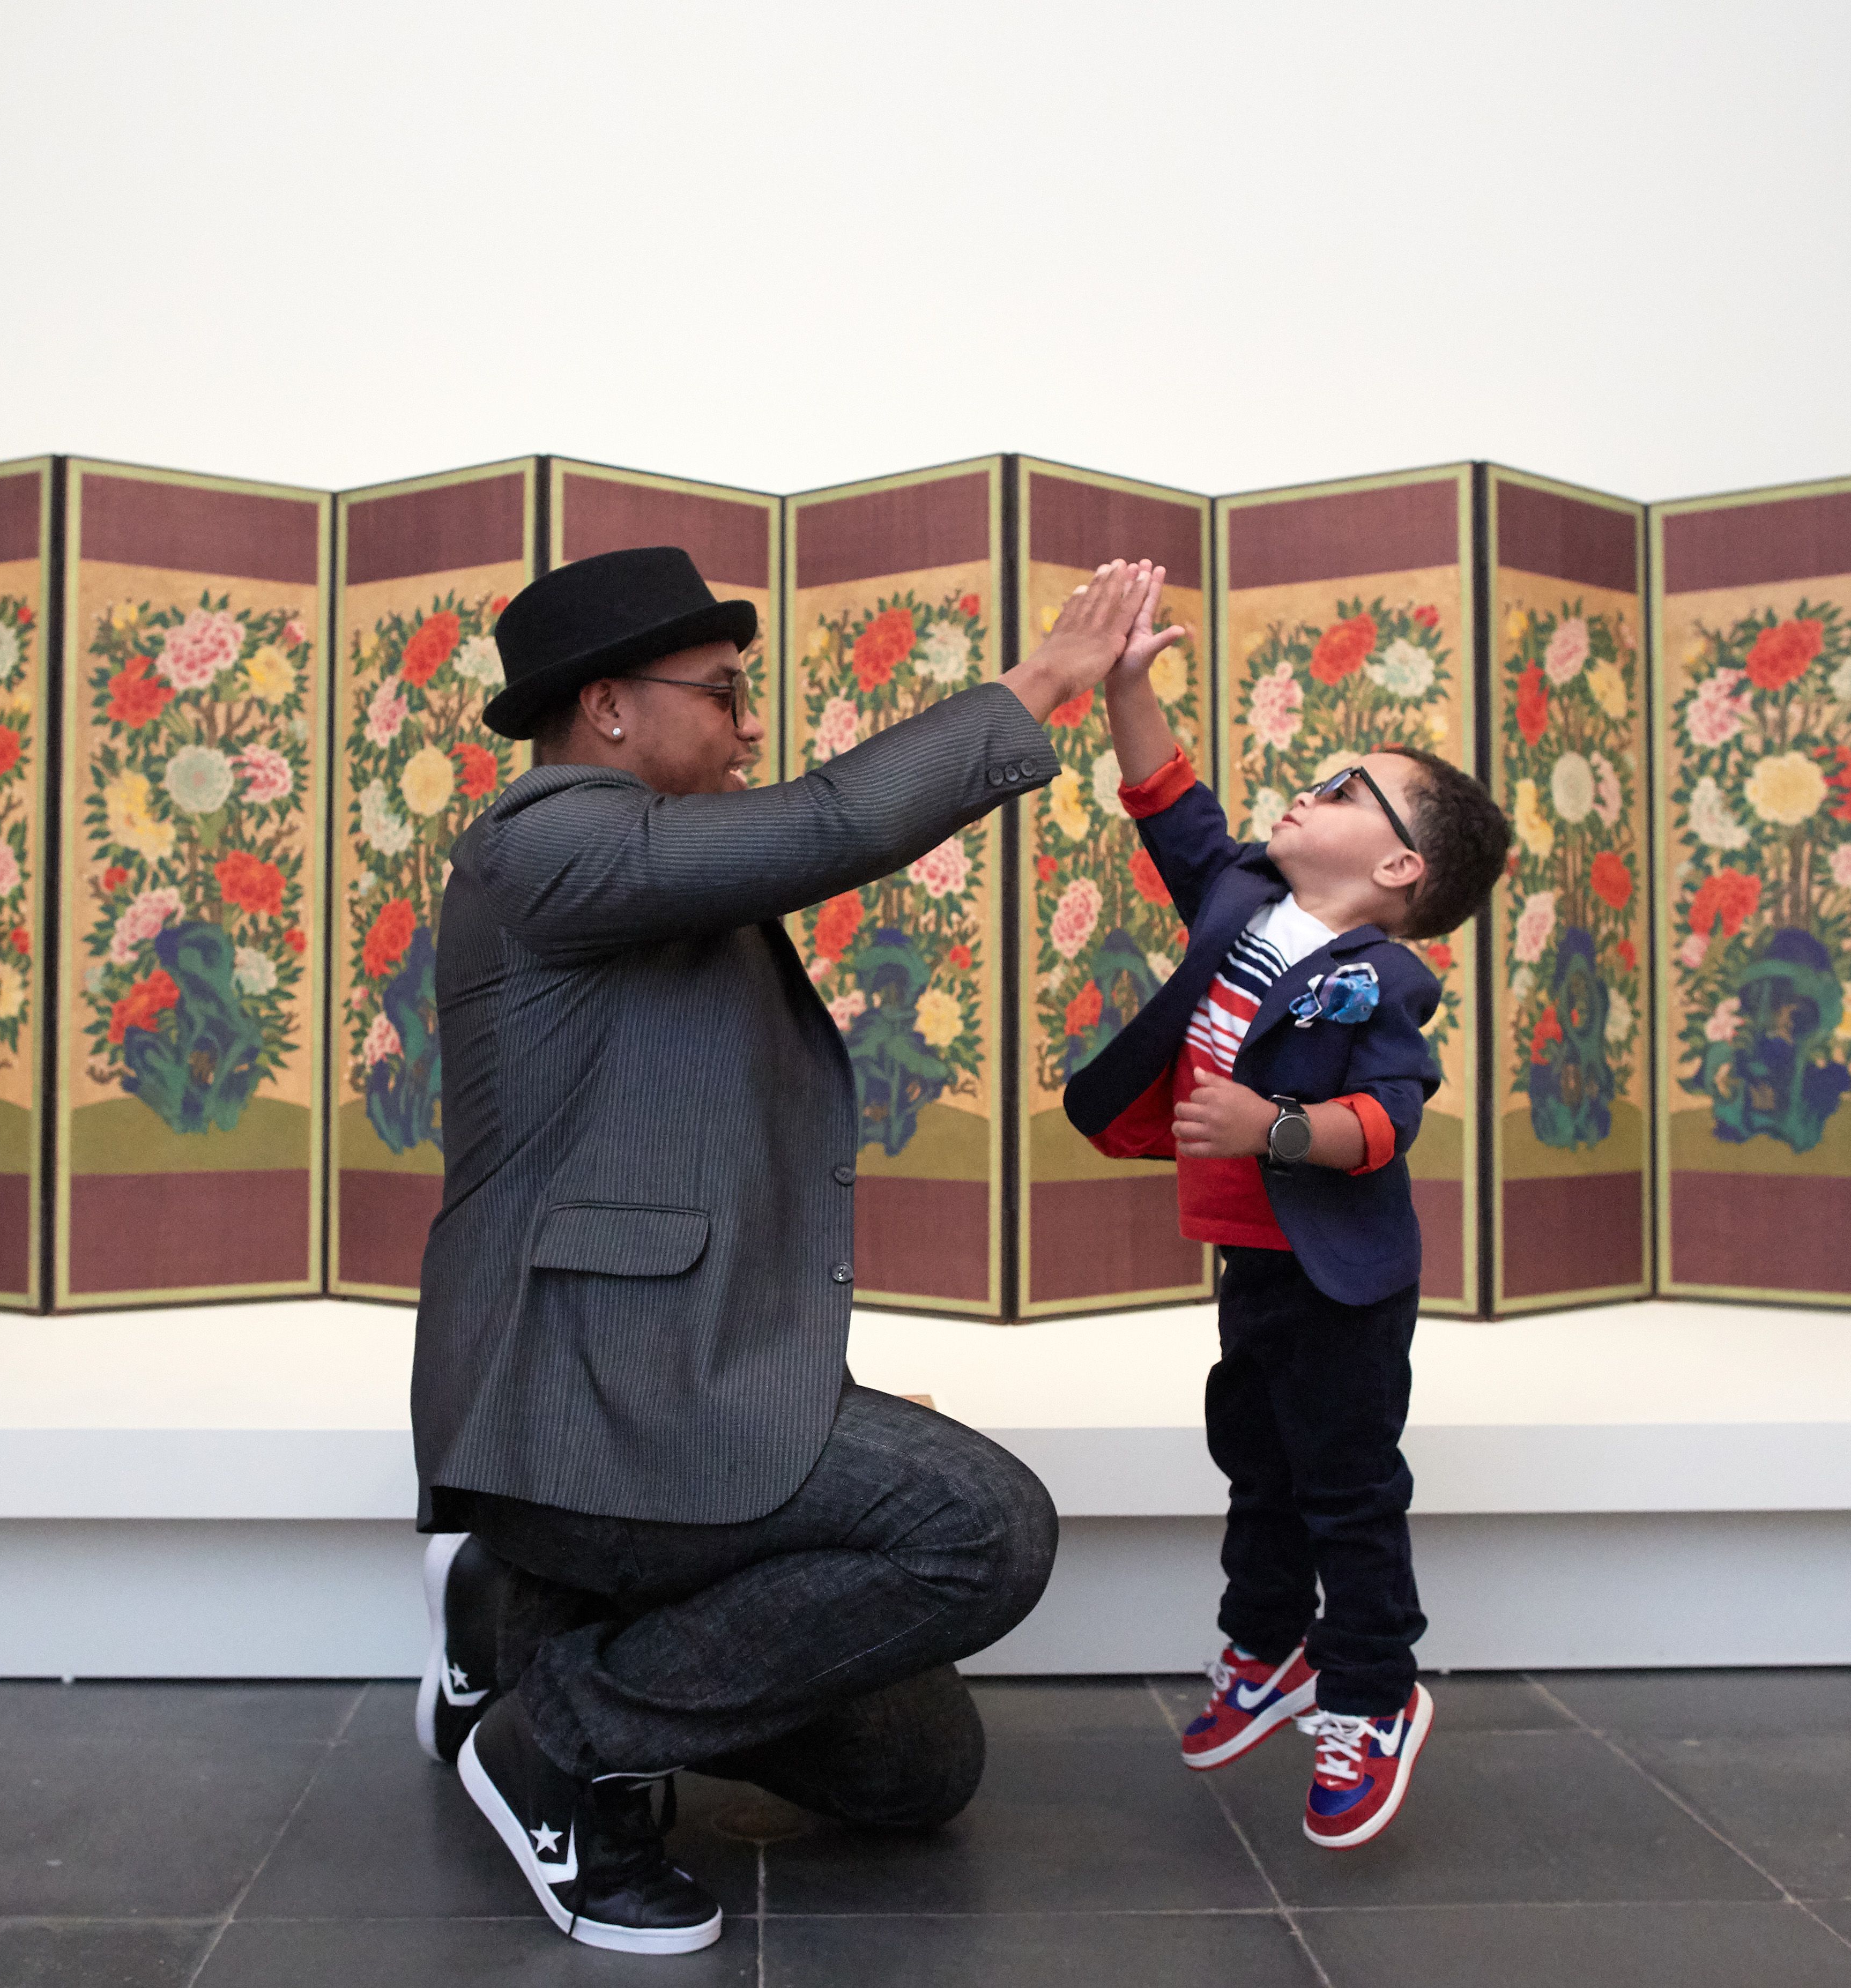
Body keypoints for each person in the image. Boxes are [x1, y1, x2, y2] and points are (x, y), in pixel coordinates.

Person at [408, 544, 1169, 1954]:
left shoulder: (654, 874)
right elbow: (830, 821)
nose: (749, 722)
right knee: (982, 1524)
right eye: (722, 692)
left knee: (915, 1766)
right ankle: (550, 1739)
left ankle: (515, 1605)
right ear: (610, 708)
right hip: (583, 1404)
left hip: (680, 1391)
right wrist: (1044, 679)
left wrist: (813, 1387)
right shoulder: (546, 838)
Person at [1061, 586, 1511, 1850]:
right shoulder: (1240, 900)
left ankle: (1371, 1692)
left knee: (1346, 1486)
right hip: (1254, 1266)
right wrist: (1125, 685)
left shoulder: (1378, 983)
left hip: (1342, 1281)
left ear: (1398, 868)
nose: (1310, 788)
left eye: (1349, 788)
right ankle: (1265, 1650)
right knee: (1253, 1464)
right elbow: (1168, 803)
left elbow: (1386, 1123)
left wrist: (1269, 1130)